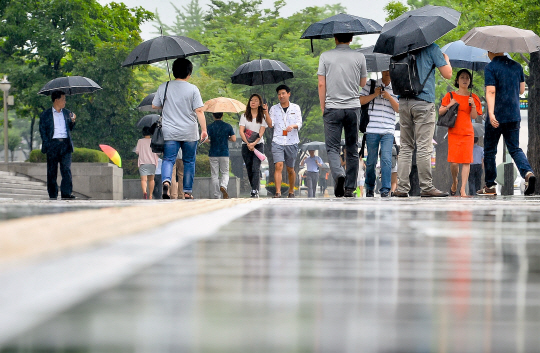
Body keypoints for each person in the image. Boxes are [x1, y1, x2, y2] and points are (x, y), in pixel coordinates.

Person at [393, 44, 453, 197]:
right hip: (423, 102)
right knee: (424, 147)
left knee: (406, 147)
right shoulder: (432, 48)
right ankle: (426, 187)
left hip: (404, 101)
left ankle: (401, 188)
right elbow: (448, 74)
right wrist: (446, 59)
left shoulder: (401, 48)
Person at [478, 51, 536, 195]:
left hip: (496, 116)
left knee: (490, 151)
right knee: (515, 149)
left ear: (492, 51)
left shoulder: (490, 67)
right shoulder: (517, 66)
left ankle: (490, 186)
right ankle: (528, 173)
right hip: (513, 114)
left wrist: (491, 113)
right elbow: (521, 90)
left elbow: (491, 91)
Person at [318, 33, 367, 197]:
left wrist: (323, 106)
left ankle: (339, 174)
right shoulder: (360, 56)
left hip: (332, 107)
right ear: (351, 38)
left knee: (332, 147)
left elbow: (321, 83)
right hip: (353, 108)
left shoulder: (325, 56)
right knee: (352, 148)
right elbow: (362, 83)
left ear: (335, 38)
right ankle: (349, 188)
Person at [152, 58, 206, 199]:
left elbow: (155, 105)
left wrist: (169, 102)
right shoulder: (193, 89)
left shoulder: (164, 86)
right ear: (189, 72)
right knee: (189, 161)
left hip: (170, 131)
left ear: (174, 71)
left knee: (168, 159)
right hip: (189, 131)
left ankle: (166, 182)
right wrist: (204, 130)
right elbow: (199, 111)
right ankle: (187, 192)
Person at [439, 69, 483, 196]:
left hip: (468, 133)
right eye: (462, 77)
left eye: (467, 78)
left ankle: (463, 188)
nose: (465, 80)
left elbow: (474, 116)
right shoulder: (450, 95)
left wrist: (473, 105)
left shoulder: (473, 97)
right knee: (454, 162)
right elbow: (441, 111)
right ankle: (455, 182)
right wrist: (450, 105)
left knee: (466, 161)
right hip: (453, 132)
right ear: (457, 80)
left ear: (470, 81)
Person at [359, 70, 399, 198]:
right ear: (381, 70)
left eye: (390, 69)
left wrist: (389, 97)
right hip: (372, 129)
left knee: (386, 159)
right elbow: (360, 101)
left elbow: (399, 108)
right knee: (371, 160)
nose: (388, 72)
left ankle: (385, 189)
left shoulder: (397, 87)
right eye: (385, 69)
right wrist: (374, 94)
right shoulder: (371, 84)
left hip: (388, 129)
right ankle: (370, 187)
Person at [265, 85, 303, 198]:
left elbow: (299, 123)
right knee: (278, 166)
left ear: (288, 94)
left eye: (283, 93)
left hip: (292, 141)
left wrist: (293, 126)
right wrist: (266, 112)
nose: (281, 96)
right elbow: (270, 124)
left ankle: (291, 191)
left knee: (290, 169)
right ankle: (278, 192)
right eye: (279, 94)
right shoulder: (274, 109)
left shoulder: (296, 108)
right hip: (278, 141)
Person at [39, 90, 77, 200]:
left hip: (65, 144)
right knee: (52, 171)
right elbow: (42, 130)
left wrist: (73, 121)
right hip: (53, 144)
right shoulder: (45, 115)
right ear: (56, 100)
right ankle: (53, 194)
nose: (65, 102)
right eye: (63, 99)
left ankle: (66, 193)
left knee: (66, 169)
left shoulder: (67, 113)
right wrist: (48, 144)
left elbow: (70, 128)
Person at [239, 93, 268, 198]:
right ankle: (254, 188)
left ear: (259, 103)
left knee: (256, 167)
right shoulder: (244, 116)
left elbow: (261, 132)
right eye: (251, 100)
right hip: (245, 145)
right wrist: (248, 143)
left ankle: (254, 190)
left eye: (256, 100)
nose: (253, 102)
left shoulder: (262, 116)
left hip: (258, 145)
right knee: (249, 168)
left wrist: (254, 143)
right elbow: (241, 131)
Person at [207, 112, 236, 199]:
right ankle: (223, 186)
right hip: (224, 153)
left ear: (213, 115)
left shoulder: (210, 126)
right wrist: (227, 138)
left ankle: (217, 195)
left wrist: (211, 141)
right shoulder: (228, 126)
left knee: (214, 174)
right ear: (222, 115)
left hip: (213, 153)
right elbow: (234, 139)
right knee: (225, 173)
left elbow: (205, 139)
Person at [135, 127, 159, 199]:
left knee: (143, 180)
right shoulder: (153, 141)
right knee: (151, 179)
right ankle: (150, 195)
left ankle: (145, 192)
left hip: (143, 162)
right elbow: (157, 152)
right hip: (152, 162)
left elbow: (137, 152)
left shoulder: (140, 141)